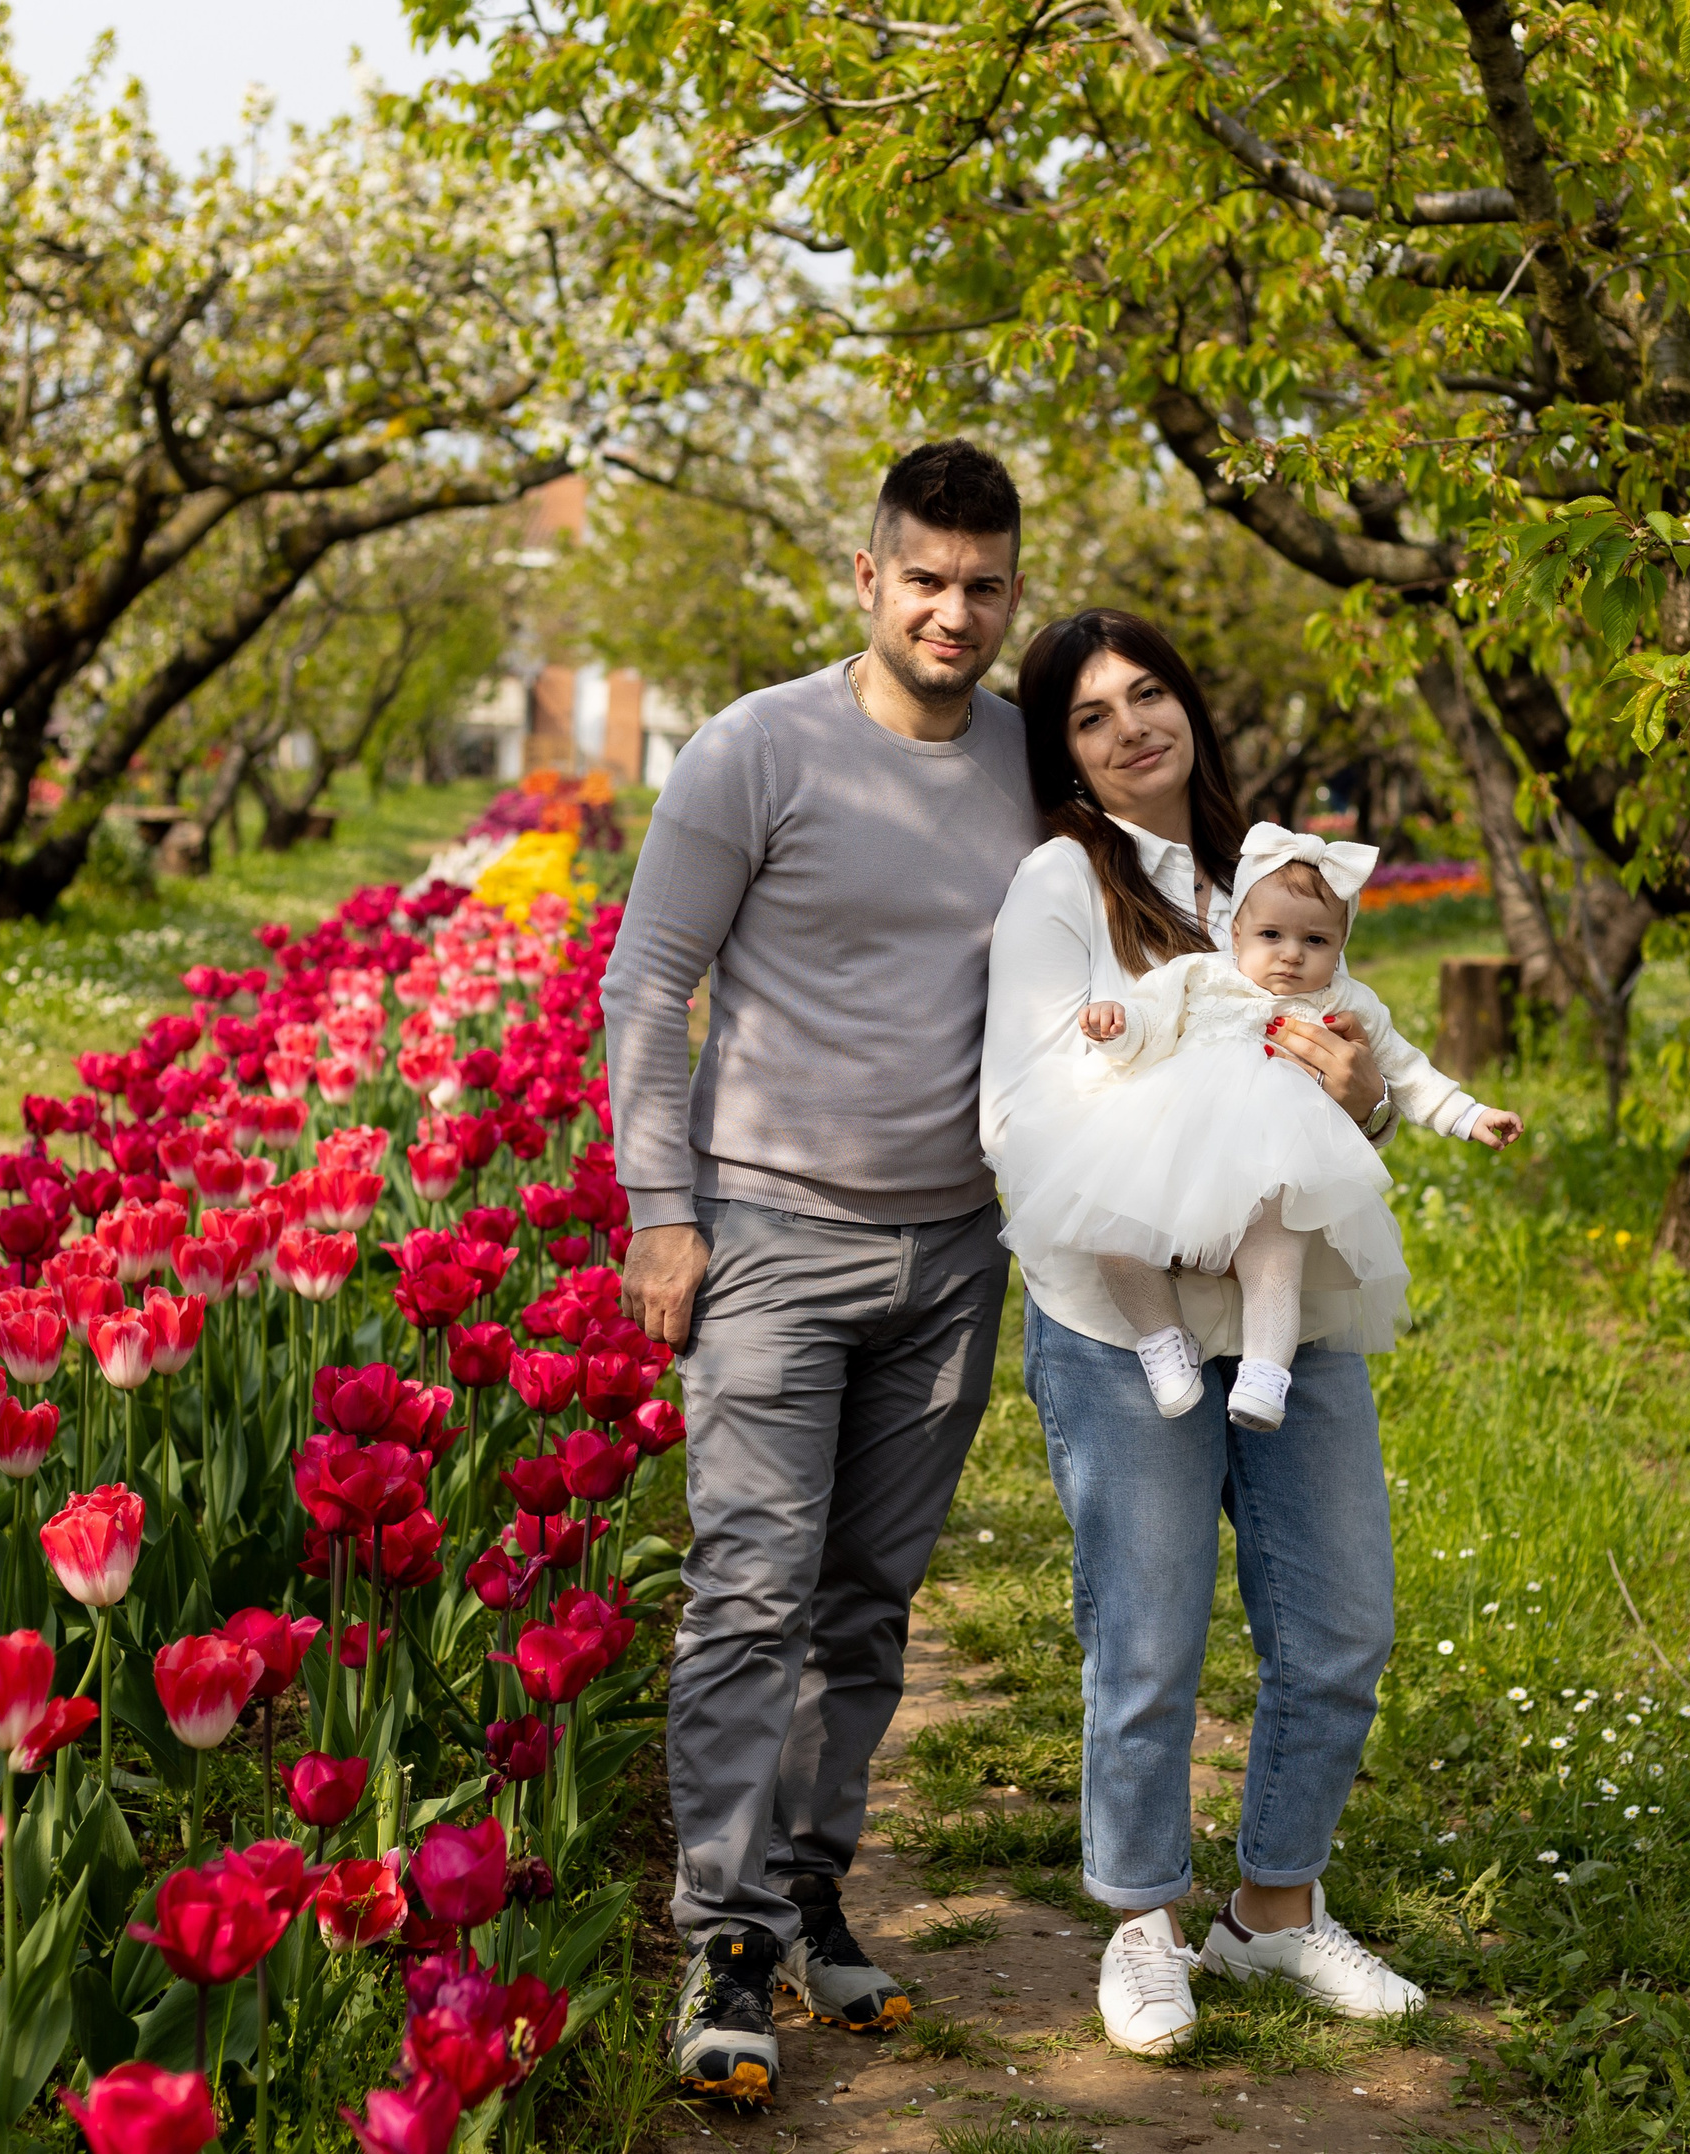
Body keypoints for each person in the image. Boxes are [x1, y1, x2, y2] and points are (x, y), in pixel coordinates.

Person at [605, 440, 1039, 2103]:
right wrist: (664, 1201)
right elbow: (653, 980)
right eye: (923, 577)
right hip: (772, 1232)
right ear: (866, 578)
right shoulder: (756, 749)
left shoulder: (1023, 761)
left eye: (983, 584)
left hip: (953, 1246)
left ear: (1013, 594)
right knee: (750, 1585)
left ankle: (803, 1877)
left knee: (864, 1598)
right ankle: (723, 1929)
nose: (952, 609)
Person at [979, 607, 1432, 2057]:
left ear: (1191, 706)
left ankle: (1275, 1910)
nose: (1132, 727)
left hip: (1290, 1306)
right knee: (1151, 1631)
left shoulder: (1270, 867)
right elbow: (1018, 1106)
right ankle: (1142, 1920)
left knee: (1342, 1620)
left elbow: (1345, 1085)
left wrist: (1355, 1089)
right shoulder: (1062, 883)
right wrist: (1169, 1183)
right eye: (1093, 714)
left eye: (1150, 693)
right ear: (1063, 753)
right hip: (1128, 1317)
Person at [1003, 822, 1524, 1430]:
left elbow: (1408, 1074)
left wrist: (1470, 1116)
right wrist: (1118, 1028)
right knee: (1117, 1236)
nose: (1292, 953)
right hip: (1168, 1148)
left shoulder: (1345, 1002)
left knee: (1274, 1253)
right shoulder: (1200, 975)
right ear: (1236, 933)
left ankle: (1266, 1375)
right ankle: (1161, 1344)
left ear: (1342, 944)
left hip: (1269, 1166)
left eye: (1317, 940)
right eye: (1271, 935)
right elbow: (1149, 1026)